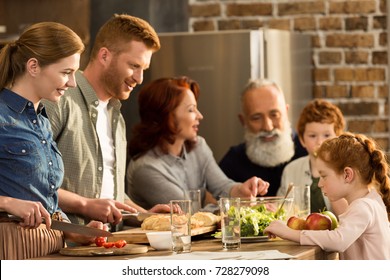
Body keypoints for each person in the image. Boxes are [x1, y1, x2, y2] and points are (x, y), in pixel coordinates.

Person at [43, 14, 169, 227]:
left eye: (143, 70)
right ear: (104, 56)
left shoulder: (116, 116)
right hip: (67, 248)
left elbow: (109, 195)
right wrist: (84, 205)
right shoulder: (59, 99)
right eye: (133, 66)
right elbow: (29, 183)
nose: (139, 79)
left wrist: (146, 216)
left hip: (110, 246)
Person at [0, 22, 106, 259]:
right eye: (66, 72)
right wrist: (7, 203)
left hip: (51, 247)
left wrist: (72, 232)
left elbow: (42, 196)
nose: (72, 83)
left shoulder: (43, 120)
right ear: (34, 66)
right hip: (10, 248)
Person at [126, 76, 269, 210]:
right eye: (191, 110)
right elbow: (189, 215)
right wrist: (236, 208)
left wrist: (242, 190)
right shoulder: (146, 168)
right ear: (166, 115)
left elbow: (222, 186)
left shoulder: (198, 146)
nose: (200, 116)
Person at [265, 132, 390, 260]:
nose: (319, 184)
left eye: (324, 176)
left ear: (347, 175)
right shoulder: (372, 200)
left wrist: (288, 233)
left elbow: (338, 240)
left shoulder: (363, 206)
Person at [219, 78, 307, 196]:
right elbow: (211, 199)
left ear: (286, 112)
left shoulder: (308, 150)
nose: (268, 127)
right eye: (257, 118)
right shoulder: (233, 161)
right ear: (243, 121)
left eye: (274, 115)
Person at [277, 99, 348, 214]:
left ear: (338, 136)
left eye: (327, 135)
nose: (320, 142)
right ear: (302, 140)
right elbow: (281, 210)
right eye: (312, 135)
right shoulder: (291, 170)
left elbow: (351, 217)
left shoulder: (347, 170)